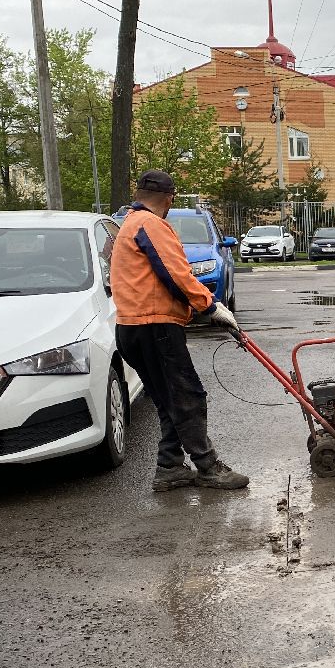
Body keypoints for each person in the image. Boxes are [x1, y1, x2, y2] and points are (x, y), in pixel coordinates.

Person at [110, 170, 249, 492]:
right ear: (170, 198)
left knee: (169, 401)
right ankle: (208, 466)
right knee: (188, 396)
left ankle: (169, 466)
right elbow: (175, 273)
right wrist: (210, 306)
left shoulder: (129, 224)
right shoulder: (151, 225)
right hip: (154, 327)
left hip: (132, 328)